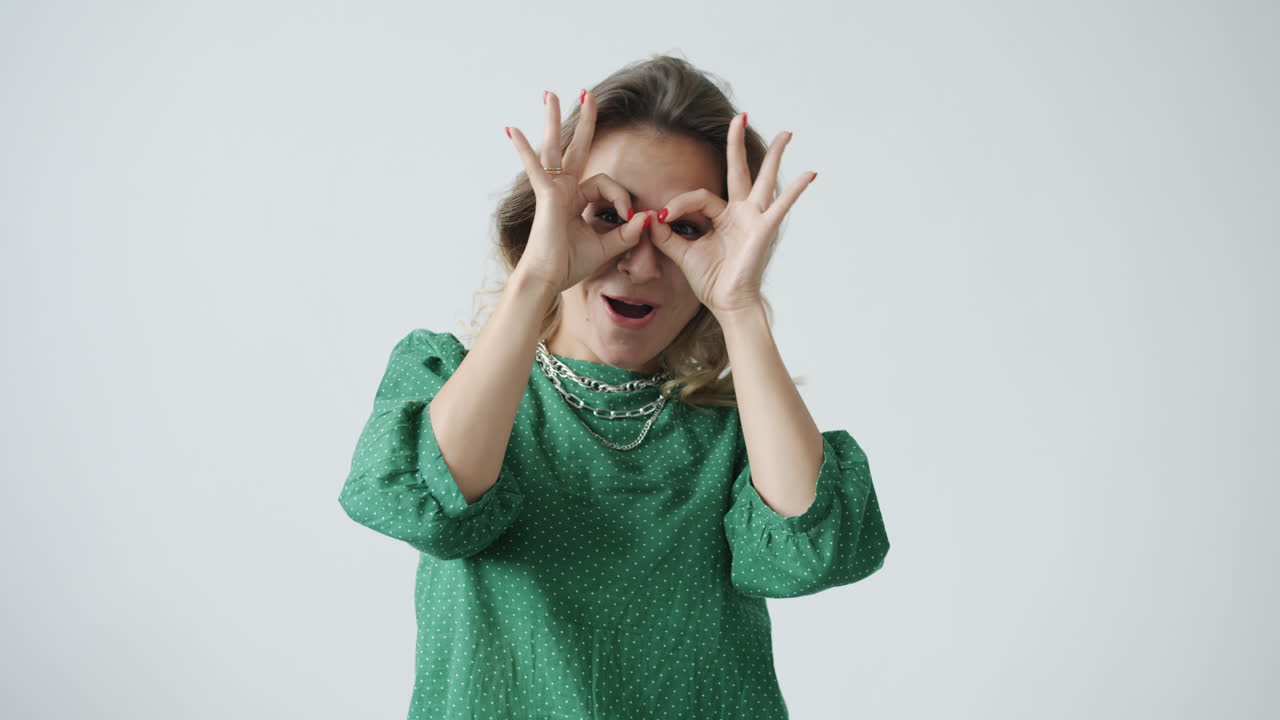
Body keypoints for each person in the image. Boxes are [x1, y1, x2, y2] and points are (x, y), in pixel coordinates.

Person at [338, 54, 890, 720]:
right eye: (606, 214)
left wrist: (739, 302)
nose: (639, 259)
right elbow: (432, 506)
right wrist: (540, 273)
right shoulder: (442, 377)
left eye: (686, 230)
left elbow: (811, 554)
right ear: (543, 215)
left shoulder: (740, 440)